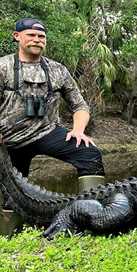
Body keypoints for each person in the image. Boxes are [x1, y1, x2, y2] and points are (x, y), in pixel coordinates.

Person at [0, 18, 105, 231]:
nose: (37, 40)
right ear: (17, 36)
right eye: (31, 35)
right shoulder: (3, 67)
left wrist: (78, 130)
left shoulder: (57, 70)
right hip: (8, 138)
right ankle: (9, 229)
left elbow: (80, 106)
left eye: (41, 37)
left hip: (46, 132)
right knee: (10, 187)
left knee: (89, 153)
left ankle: (96, 216)